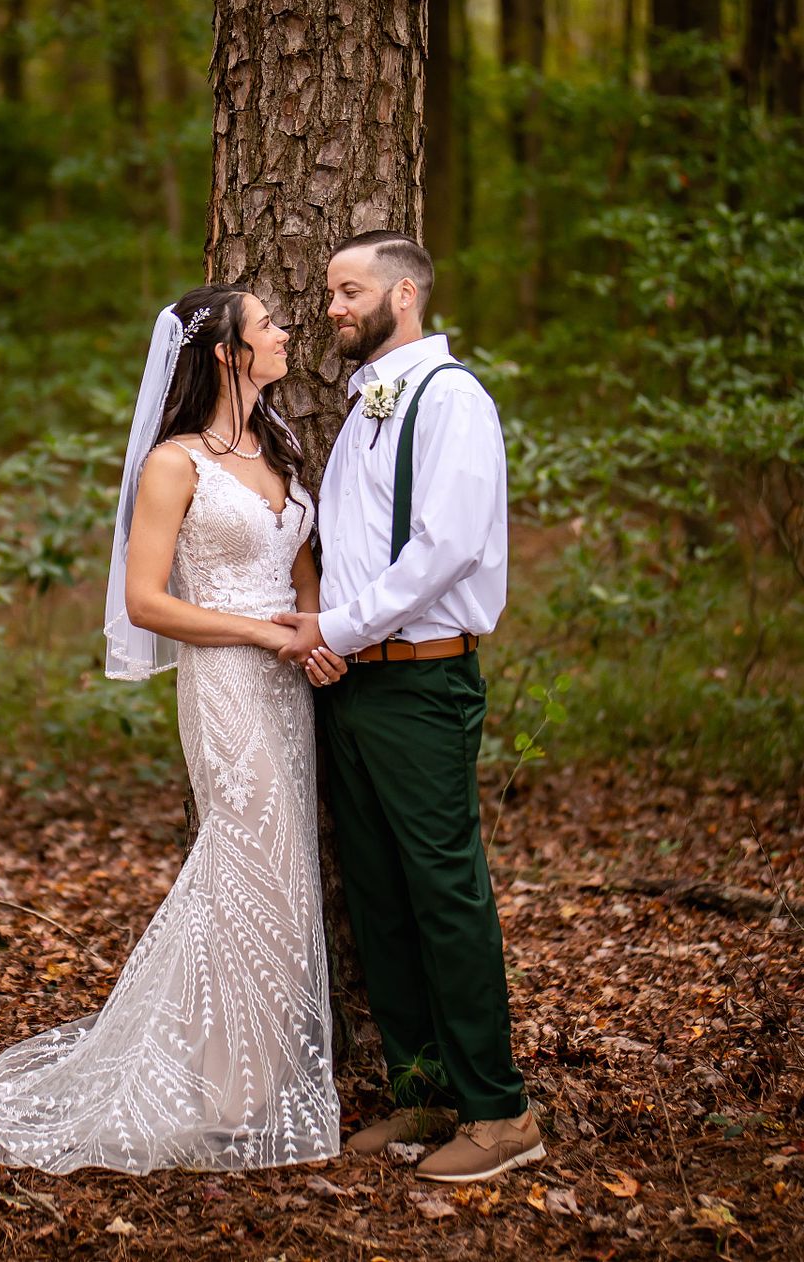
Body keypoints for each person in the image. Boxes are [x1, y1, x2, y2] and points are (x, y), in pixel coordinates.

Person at [0, 285, 346, 1174]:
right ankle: (224, 1093)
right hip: (228, 680)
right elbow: (146, 601)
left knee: (281, 880)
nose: (287, 335)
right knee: (247, 868)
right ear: (226, 352)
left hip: (290, 681)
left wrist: (315, 632)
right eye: (271, 326)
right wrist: (263, 633)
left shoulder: (276, 442)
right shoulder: (174, 463)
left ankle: (249, 1077)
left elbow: (305, 561)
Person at [275, 231, 545, 1184]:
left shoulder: (453, 400)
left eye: (349, 292)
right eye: (331, 295)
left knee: (444, 893)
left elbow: (447, 547)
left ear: (404, 296)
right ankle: (423, 1090)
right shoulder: (364, 410)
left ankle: (500, 1110)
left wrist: (335, 632)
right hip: (358, 679)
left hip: (422, 682)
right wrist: (322, 629)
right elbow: (351, 548)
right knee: (382, 893)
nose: (334, 309)